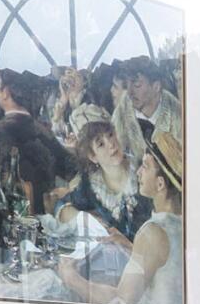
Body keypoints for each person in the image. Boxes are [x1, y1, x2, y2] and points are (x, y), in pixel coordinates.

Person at [56, 130, 184, 304]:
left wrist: (72, 279)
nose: (139, 171)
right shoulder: (180, 222)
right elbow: (161, 263)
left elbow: (122, 301)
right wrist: (132, 247)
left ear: (160, 184)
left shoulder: (153, 231)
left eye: (145, 167)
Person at [53, 117, 149, 279]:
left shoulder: (143, 174)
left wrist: (129, 246)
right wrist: (87, 218)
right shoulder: (91, 183)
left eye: (110, 135)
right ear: (93, 157)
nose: (111, 144)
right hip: (111, 267)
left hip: (144, 267)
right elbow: (62, 207)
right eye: (101, 143)